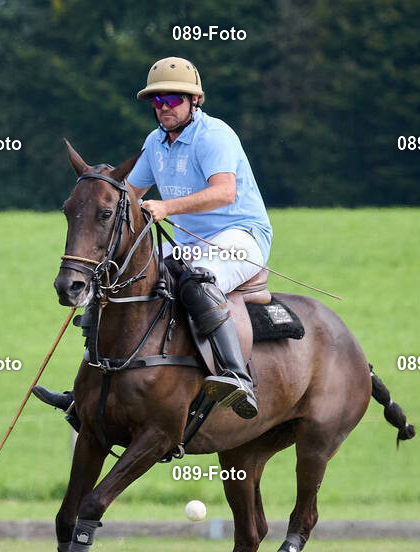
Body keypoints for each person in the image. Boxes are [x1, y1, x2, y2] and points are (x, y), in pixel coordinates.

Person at [36, 56, 273, 421]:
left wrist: (167, 207)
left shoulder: (216, 136)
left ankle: (235, 376)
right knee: (117, 276)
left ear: (195, 101)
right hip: (188, 243)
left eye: (173, 99)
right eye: (157, 101)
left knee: (197, 280)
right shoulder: (155, 142)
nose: (164, 108)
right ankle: (87, 386)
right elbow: (127, 193)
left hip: (241, 236)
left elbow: (225, 192)